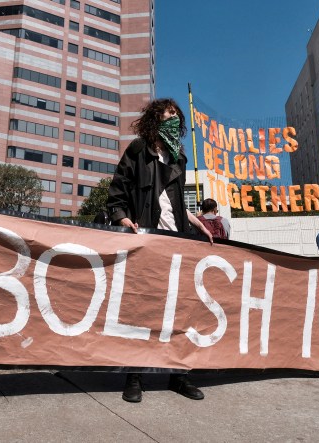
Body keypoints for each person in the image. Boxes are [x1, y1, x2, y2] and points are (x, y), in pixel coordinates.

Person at [106, 98, 213, 404]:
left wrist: (199, 224)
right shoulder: (139, 151)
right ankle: (134, 376)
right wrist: (124, 219)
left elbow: (176, 204)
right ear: (155, 120)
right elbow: (117, 192)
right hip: (146, 241)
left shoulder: (179, 158)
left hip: (176, 242)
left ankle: (179, 375)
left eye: (176, 119)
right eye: (168, 117)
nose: (173, 123)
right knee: (142, 310)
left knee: (179, 310)